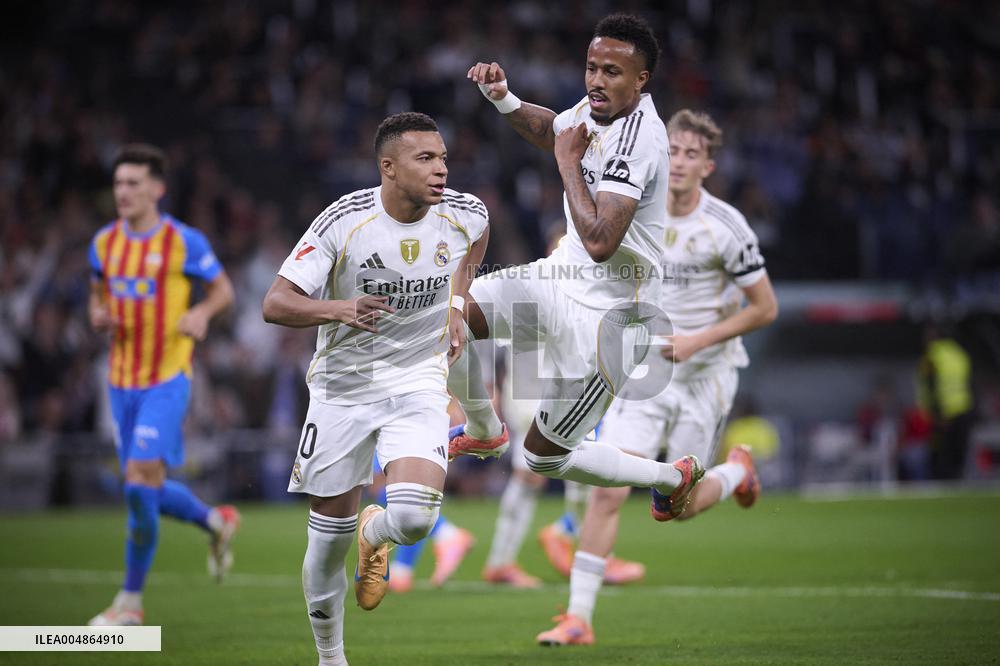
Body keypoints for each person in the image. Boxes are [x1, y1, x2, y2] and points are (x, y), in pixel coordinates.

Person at [450, 13, 701, 569]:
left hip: (610, 320)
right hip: (556, 279)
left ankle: (670, 477)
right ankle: (484, 428)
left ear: (641, 80)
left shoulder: (640, 139)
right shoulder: (596, 110)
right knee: (448, 317)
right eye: (592, 67)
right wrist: (504, 99)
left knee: (543, 460)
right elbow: (553, 131)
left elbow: (601, 240)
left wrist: (566, 165)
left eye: (612, 71)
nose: (596, 80)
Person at [536, 109, 779, 645]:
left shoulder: (725, 227)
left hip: (704, 377)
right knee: (609, 490)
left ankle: (735, 472)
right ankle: (578, 618)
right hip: (645, 372)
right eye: (675, 151)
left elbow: (765, 308)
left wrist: (697, 340)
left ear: (708, 166)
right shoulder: (634, 208)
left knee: (680, 506)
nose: (681, 162)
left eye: (693, 154)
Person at [262, 112, 489, 666]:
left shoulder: (465, 212)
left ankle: (377, 531)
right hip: (343, 389)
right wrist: (339, 308)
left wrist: (457, 305)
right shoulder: (344, 221)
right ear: (388, 167)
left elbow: (476, 242)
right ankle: (331, 657)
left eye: (443, 158)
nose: (441, 170)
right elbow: (276, 303)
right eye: (425, 159)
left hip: (418, 379)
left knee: (414, 519)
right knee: (326, 544)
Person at [86, 144, 240, 626]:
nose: (124, 192)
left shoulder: (183, 242)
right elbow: (96, 296)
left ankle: (130, 604)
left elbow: (224, 291)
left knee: (138, 480)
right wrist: (98, 315)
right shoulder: (103, 244)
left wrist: (201, 312)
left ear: (157, 189)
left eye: (133, 183)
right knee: (142, 486)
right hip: (120, 382)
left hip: (167, 378)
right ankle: (215, 521)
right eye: (118, 183)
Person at [917, 324, 974, 480]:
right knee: (958, 453)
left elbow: (931, 386)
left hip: (943, 414)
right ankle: (958, 482)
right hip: (963, 408)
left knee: (942, 455)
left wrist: (937, 414)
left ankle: (942, 482)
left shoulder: (932, 356)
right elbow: (968, 383)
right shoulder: (959, 354)